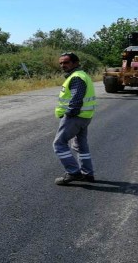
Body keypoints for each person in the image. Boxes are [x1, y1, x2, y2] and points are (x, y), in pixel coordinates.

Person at [52, 52, 97, 185]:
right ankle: (87, 174)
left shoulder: (76, 77)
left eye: (66, 62)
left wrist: (68, 114)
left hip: (75, 117)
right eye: (61, 63)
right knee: (81, 146)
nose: (62, 65)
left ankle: (73, 172)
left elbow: (76, 98)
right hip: (84, 116)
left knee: (59, 144)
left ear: (76, 63)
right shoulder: (81, 75)